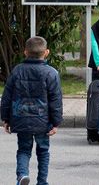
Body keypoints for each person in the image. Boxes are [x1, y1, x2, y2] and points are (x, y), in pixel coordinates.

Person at [1, 36, 63, 185]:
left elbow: (7, 97)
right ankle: (42, 181)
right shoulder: (51, 73)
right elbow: (55, 100)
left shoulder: (17, 71)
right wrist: (56, 122)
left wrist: (5, 119)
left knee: (23, 150)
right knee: (43, 152)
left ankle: (22, 175)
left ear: (25, 52)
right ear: (46, 52)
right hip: (43, 120)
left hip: (21, 118)